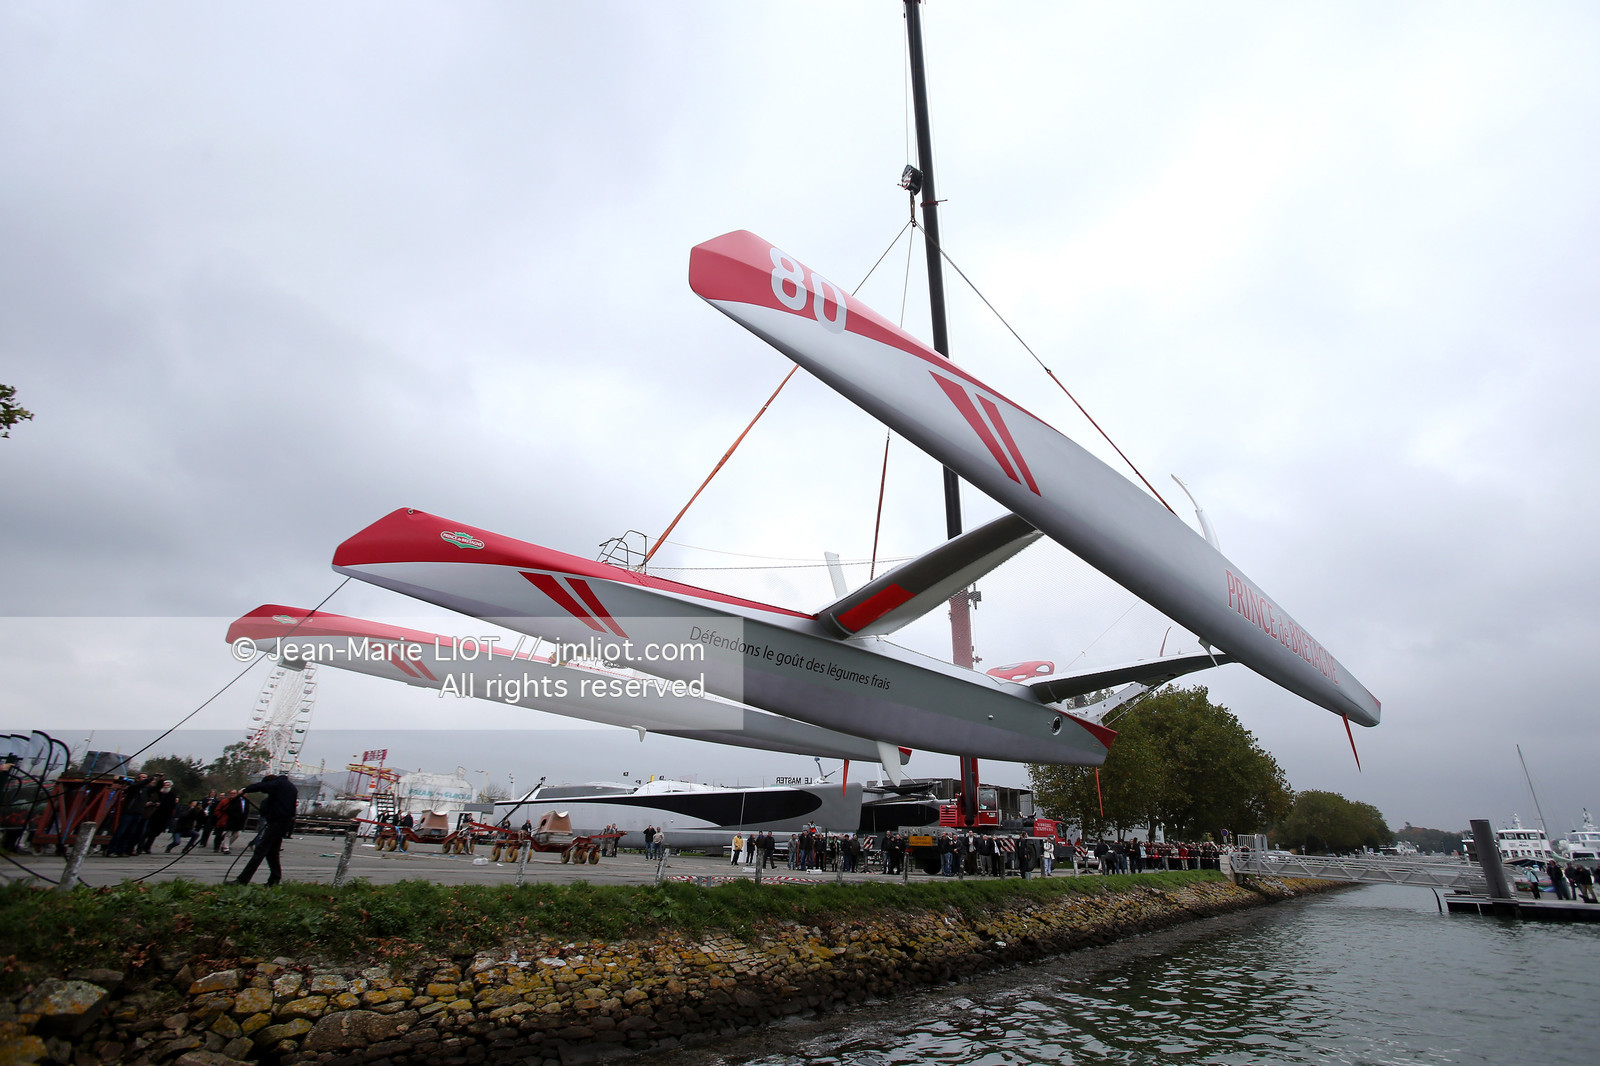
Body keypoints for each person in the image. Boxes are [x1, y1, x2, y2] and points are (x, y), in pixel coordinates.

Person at [234, 773, 298, 886]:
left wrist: (244, 790)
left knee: (261, 850)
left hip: (277, 822)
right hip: (284, 822)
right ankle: (274, 879)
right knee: (272, 852)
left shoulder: (278, 784)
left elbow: (260, 786)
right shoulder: (290, 787)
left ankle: (243, 880)